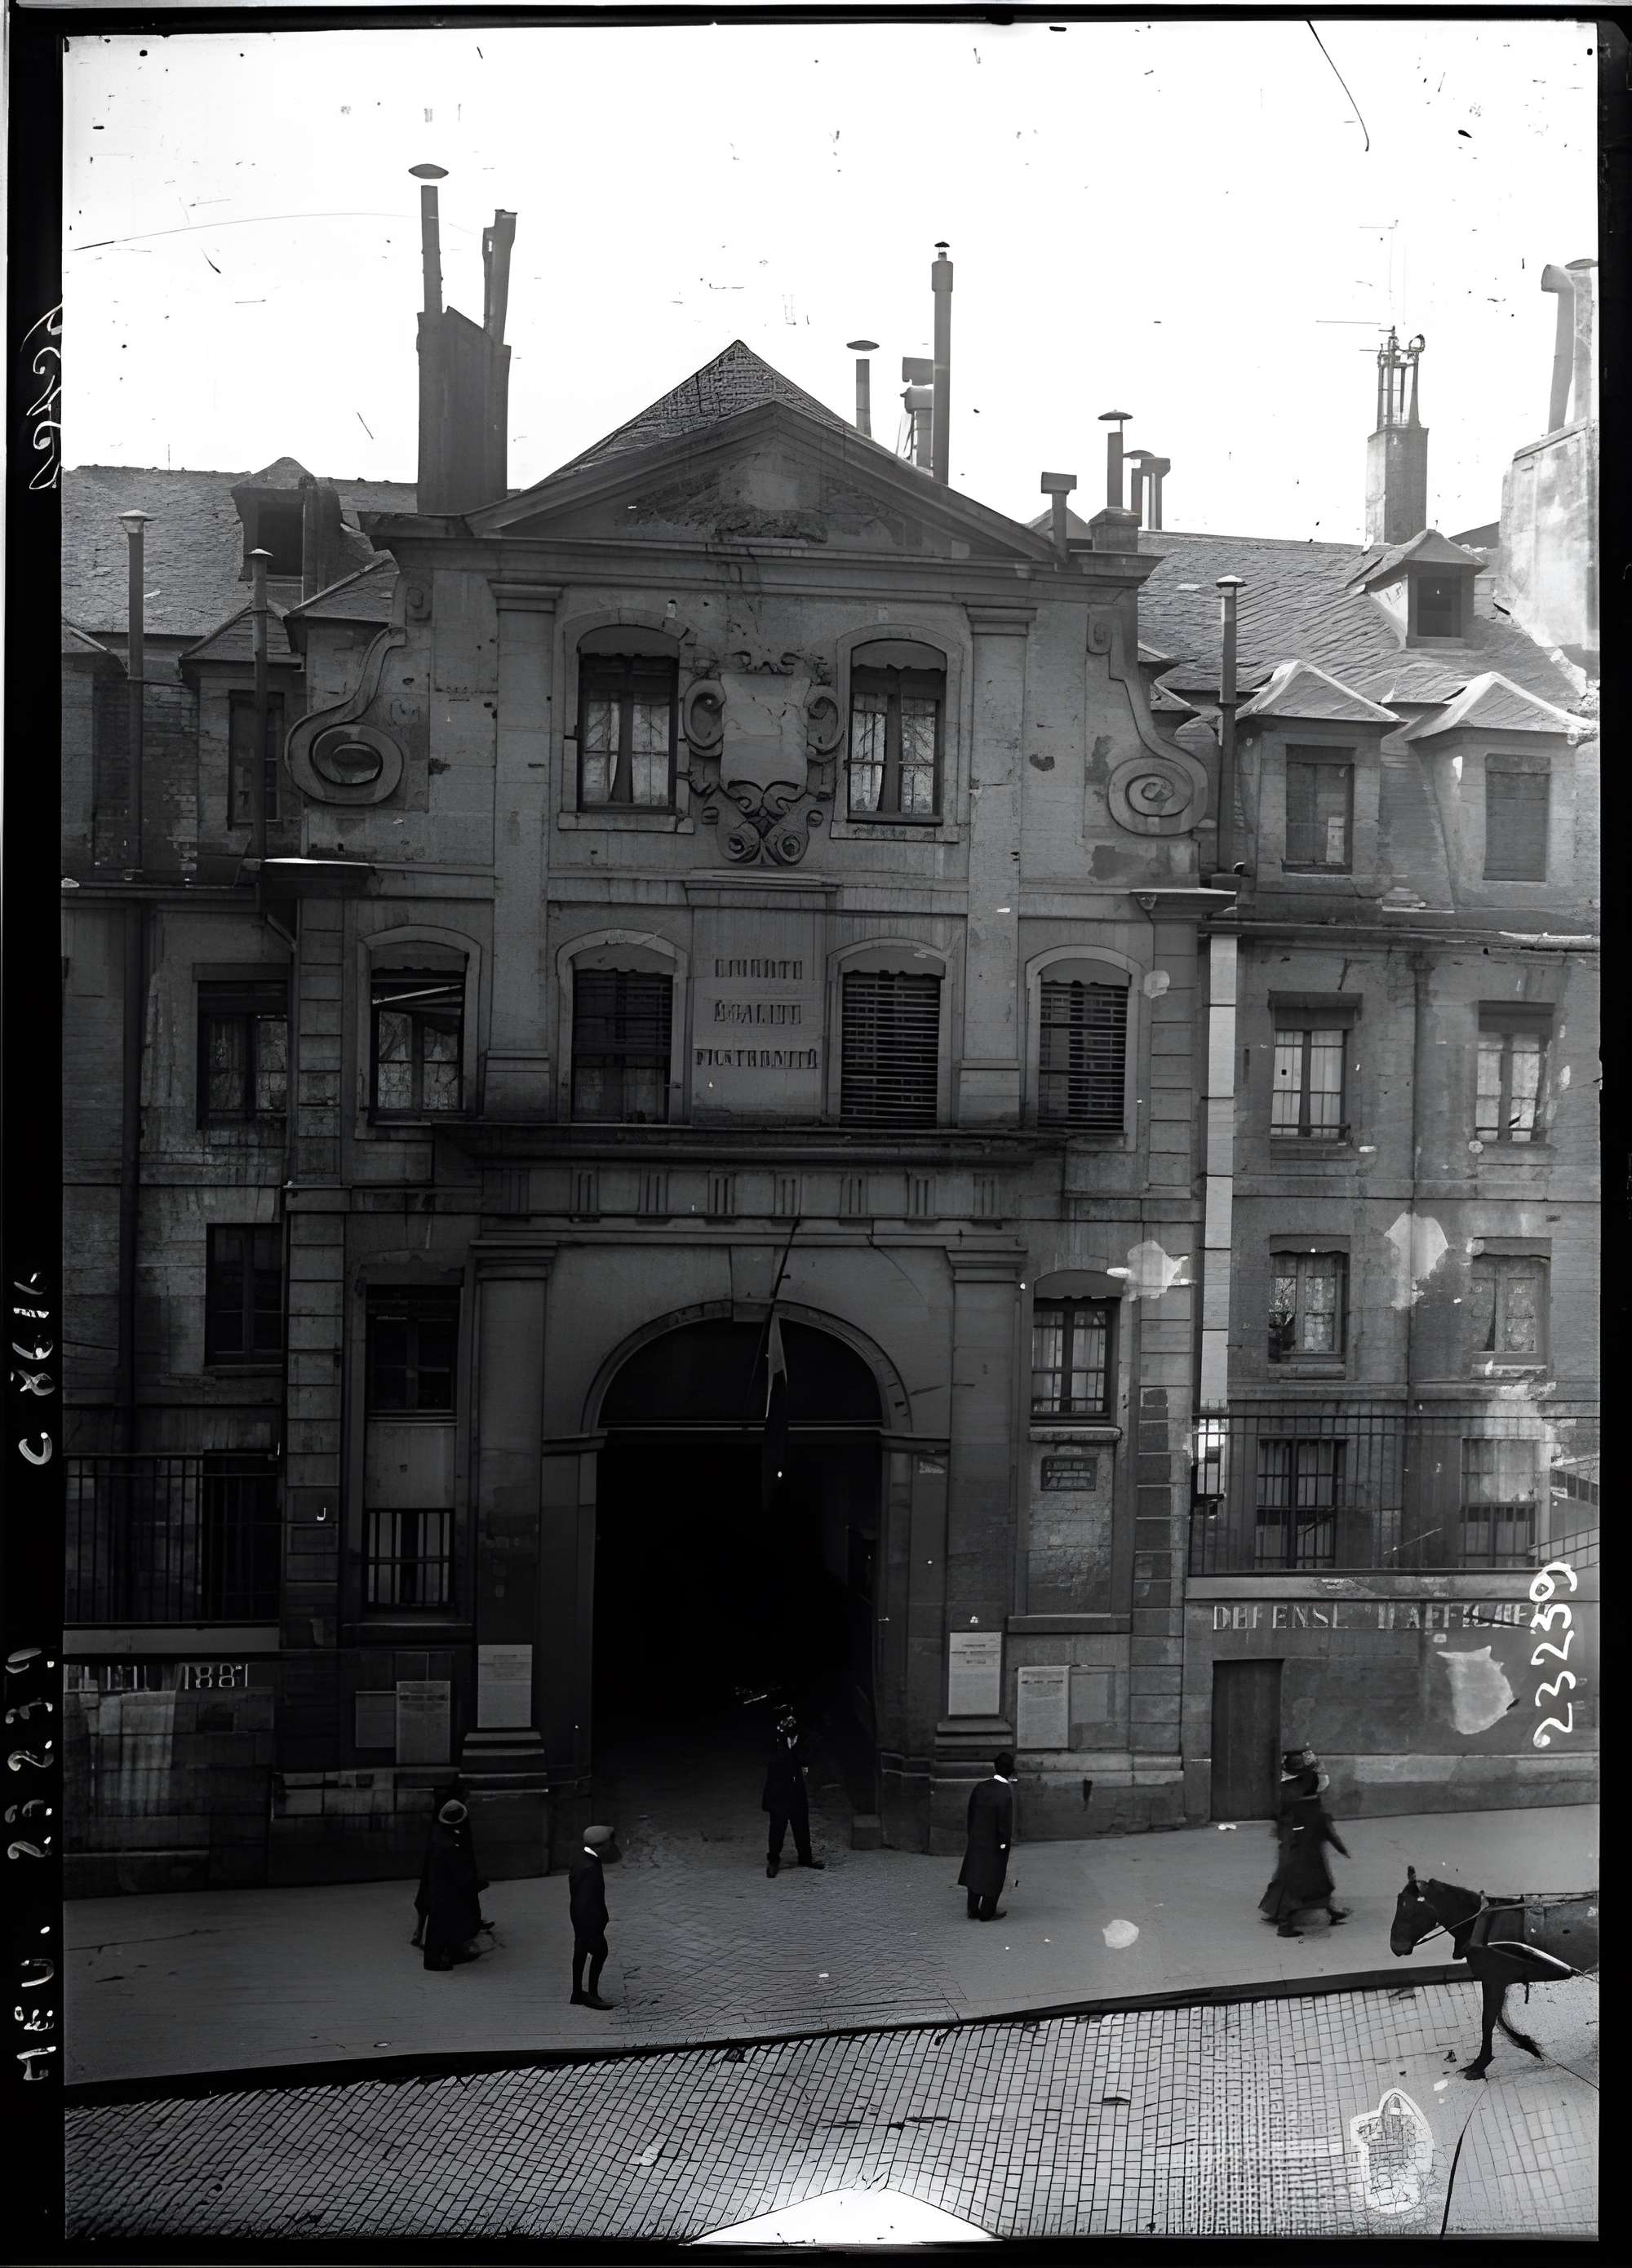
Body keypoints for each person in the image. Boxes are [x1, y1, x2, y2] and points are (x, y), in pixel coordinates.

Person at [1258, 1748, 1350, 1938]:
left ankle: (1329, 1911)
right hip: (1301, 1838)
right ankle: (1285, 1922)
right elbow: (1313, 1804)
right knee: (1300, 1879)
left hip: (1301, 1836)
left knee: (1309, 1877)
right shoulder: (1298, 1786)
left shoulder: (1291, 1786)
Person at [411, 1789, 490, 1950]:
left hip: (435, 1879)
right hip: (442, 1883)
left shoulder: (439, 1835)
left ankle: (421, 1934)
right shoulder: (449, 1840)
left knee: (428, 1903)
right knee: (443, 1907)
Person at [763, 1706, 825, 1877]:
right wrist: (783, 1741)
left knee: (801, 1825)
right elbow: (773, 1760)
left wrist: (795, 1746)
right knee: (777, 1827)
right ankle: (773, 1861)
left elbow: (807, 1757)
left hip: (796, 1789)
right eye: (786, 1720)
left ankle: (805, 1859)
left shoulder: (804, 1738)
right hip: (778, 1789)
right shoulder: (775, 1738)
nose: (790, 1723)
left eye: (792, 1720)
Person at [958, 1750, 1017, 1921]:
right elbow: (1004, 1823)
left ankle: (972, 1909)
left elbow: (971, 1813)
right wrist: (1004, 1843)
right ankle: (987, 1912)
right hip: (995, 1842)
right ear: (1011, 1770)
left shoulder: (981, 1787)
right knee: (994, 1876)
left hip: (977, 1838)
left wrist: (972, 1833)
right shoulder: (1005, 1793)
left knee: (975, 1873)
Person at [570, 1823, 621, 2009]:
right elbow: (588, 1900)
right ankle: (592, 1995)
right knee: (600, 1952)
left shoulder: (582, 1859)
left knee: (580, 1952)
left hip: (579, 1916)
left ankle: (577, 1993)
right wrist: (598, 1921)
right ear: (600, 1846)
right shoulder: (590, 1867)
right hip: (589, 1920)